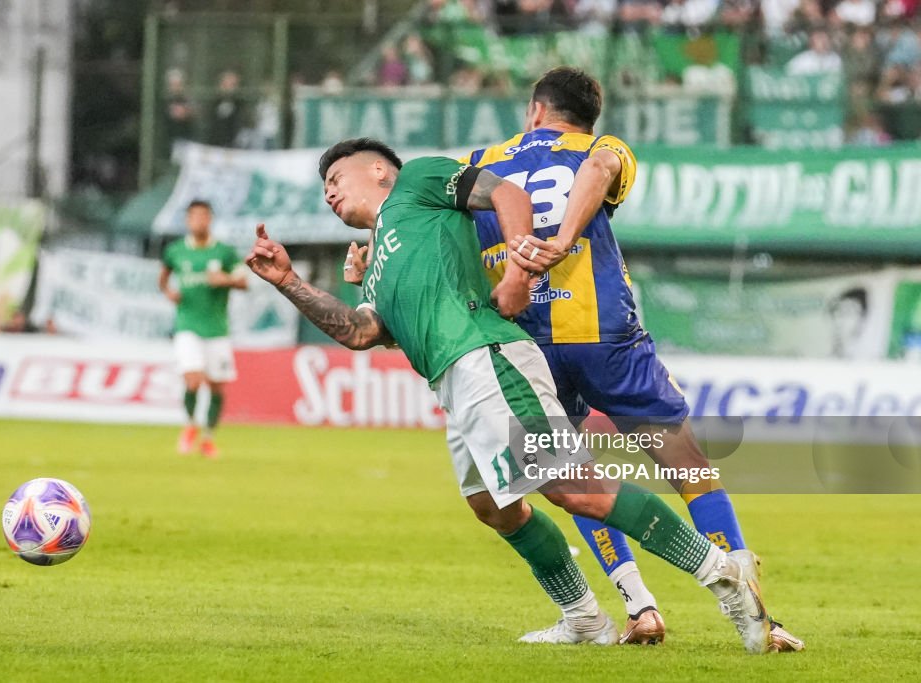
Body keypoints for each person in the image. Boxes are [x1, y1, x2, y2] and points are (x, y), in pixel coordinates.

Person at [246, 137, 781, 653]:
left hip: (487, 357)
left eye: (336, 178)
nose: (329, 194)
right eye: (324, 189)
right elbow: (360, 332)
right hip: (455, 384)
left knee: (573, 488)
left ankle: (723, 574)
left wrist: (522, 271)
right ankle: (585, 620)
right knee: (493, 506)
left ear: (380, 170)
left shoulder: (417, 182)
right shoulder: (377, 264)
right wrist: (287, 280)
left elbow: (508, 194)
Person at [447, 66, 803, 651]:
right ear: (589, 116)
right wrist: (563, 239)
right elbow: (598, 168)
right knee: (688, 466)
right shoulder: (603, 146)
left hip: (521, 341)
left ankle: (640, 608)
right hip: (604, 335)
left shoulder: (479, 159)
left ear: (535, 110)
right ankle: (755, 615)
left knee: (572, 476)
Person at [159, 200, 247, 458]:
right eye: (194, 216)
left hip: (217, 328)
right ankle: (190, 426)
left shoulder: (225, 252)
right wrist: (168, 292)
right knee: (193, 378)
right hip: (187, 325)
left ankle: (208, 438)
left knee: (217, 387)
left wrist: (227, 280)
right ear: (187, 220)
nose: (199, 221)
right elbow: (163, 275)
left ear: (210, 220)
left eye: (204, 216)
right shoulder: (175, 251)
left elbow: (244, 281)